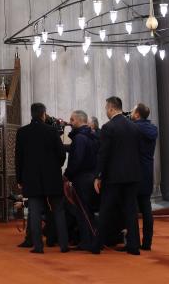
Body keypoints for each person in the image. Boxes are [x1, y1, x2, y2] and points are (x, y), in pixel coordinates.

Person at [15, 102, 68, 254]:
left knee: (35, 212)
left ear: (31, 114)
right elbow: (61, 154)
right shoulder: (52, 131)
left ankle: (38, 246)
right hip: (52, 178)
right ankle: (64, 245)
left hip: (31, 179)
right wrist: (56, 167)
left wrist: (20, 179)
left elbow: (18, 158)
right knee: (58, 211)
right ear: (44, 114)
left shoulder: (22, 132)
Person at [92, 96, 142, 256]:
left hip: (113, 177)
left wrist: (98, 176)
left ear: (111, 108)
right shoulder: (134, 127)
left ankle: (97, 245)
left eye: (106, 108)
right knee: (131, 211)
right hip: (132, 175)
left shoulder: (108, 127)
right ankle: (134, 246)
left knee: (105, 210)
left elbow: (103, 154)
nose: (106, 111)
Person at [63, 110, 99, 250]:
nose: (70, 122)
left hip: (82, 179)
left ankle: (88, 242)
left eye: (72, 120)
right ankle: (90, 240)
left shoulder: (79, 138)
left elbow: (76, 160)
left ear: (79, 120)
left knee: (82, 212)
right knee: (87, 211)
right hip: (91, 177)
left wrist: (67, 175)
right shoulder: (92, 136)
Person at [131, 103, 158, 251]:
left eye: (133, 111)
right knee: (147, 209)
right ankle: (147, 243)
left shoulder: (133, 128)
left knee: (131, 210)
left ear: (137, 114)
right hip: (147, 171)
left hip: (134, 172)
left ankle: (133, 242)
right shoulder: (153, 128)